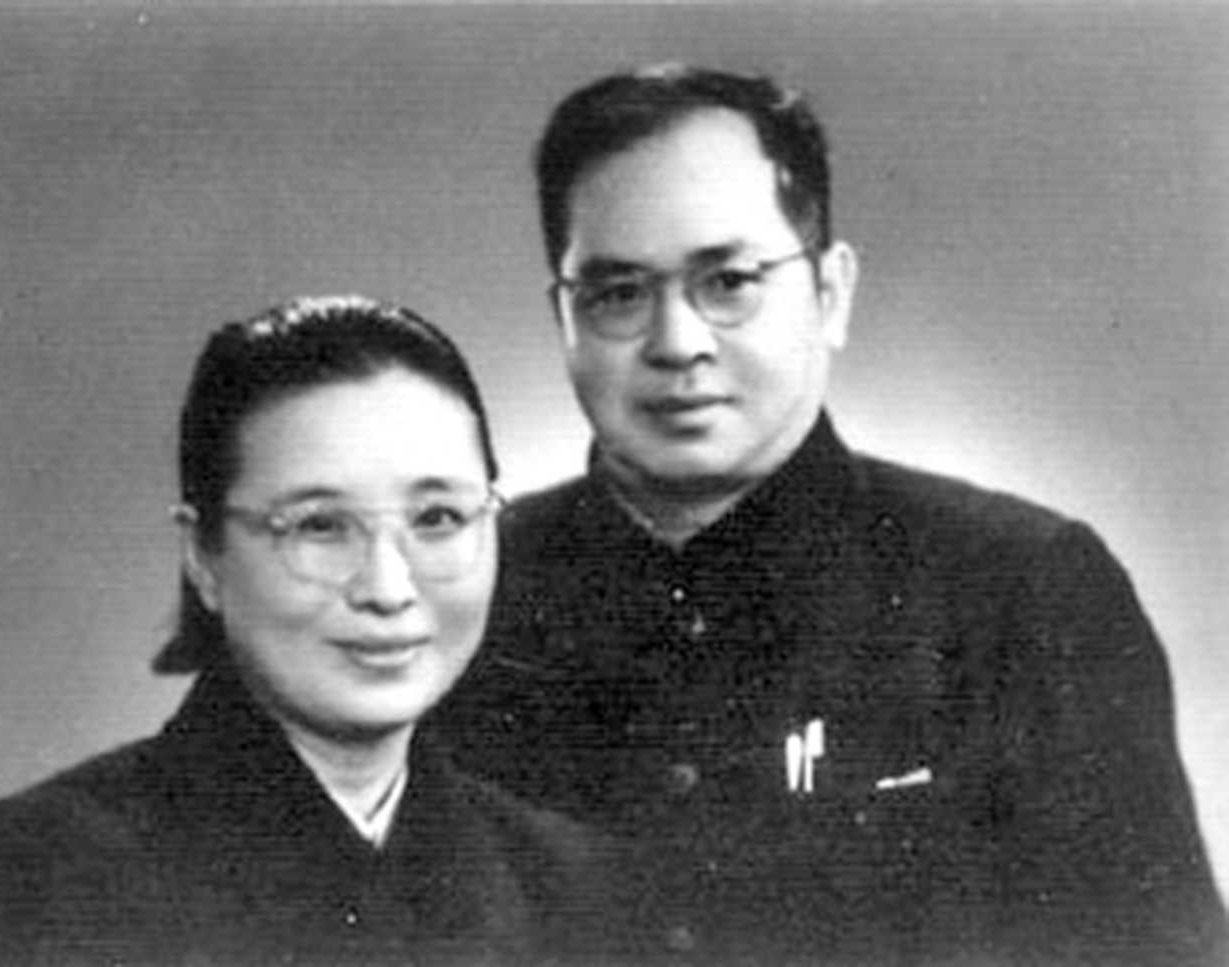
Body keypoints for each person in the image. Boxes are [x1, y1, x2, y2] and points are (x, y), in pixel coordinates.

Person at [431, 64, 1228, 965]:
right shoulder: (454, 591)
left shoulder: (1022, 589)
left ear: (829, 292)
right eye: (618, 293)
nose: (676, 342)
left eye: (728, 280)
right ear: (563, 318)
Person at [0, 295, 631, 967]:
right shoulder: (27, 883)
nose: (387, 588)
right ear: (203, 555)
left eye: (437, 518)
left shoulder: (579, 888)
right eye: (319, 526)